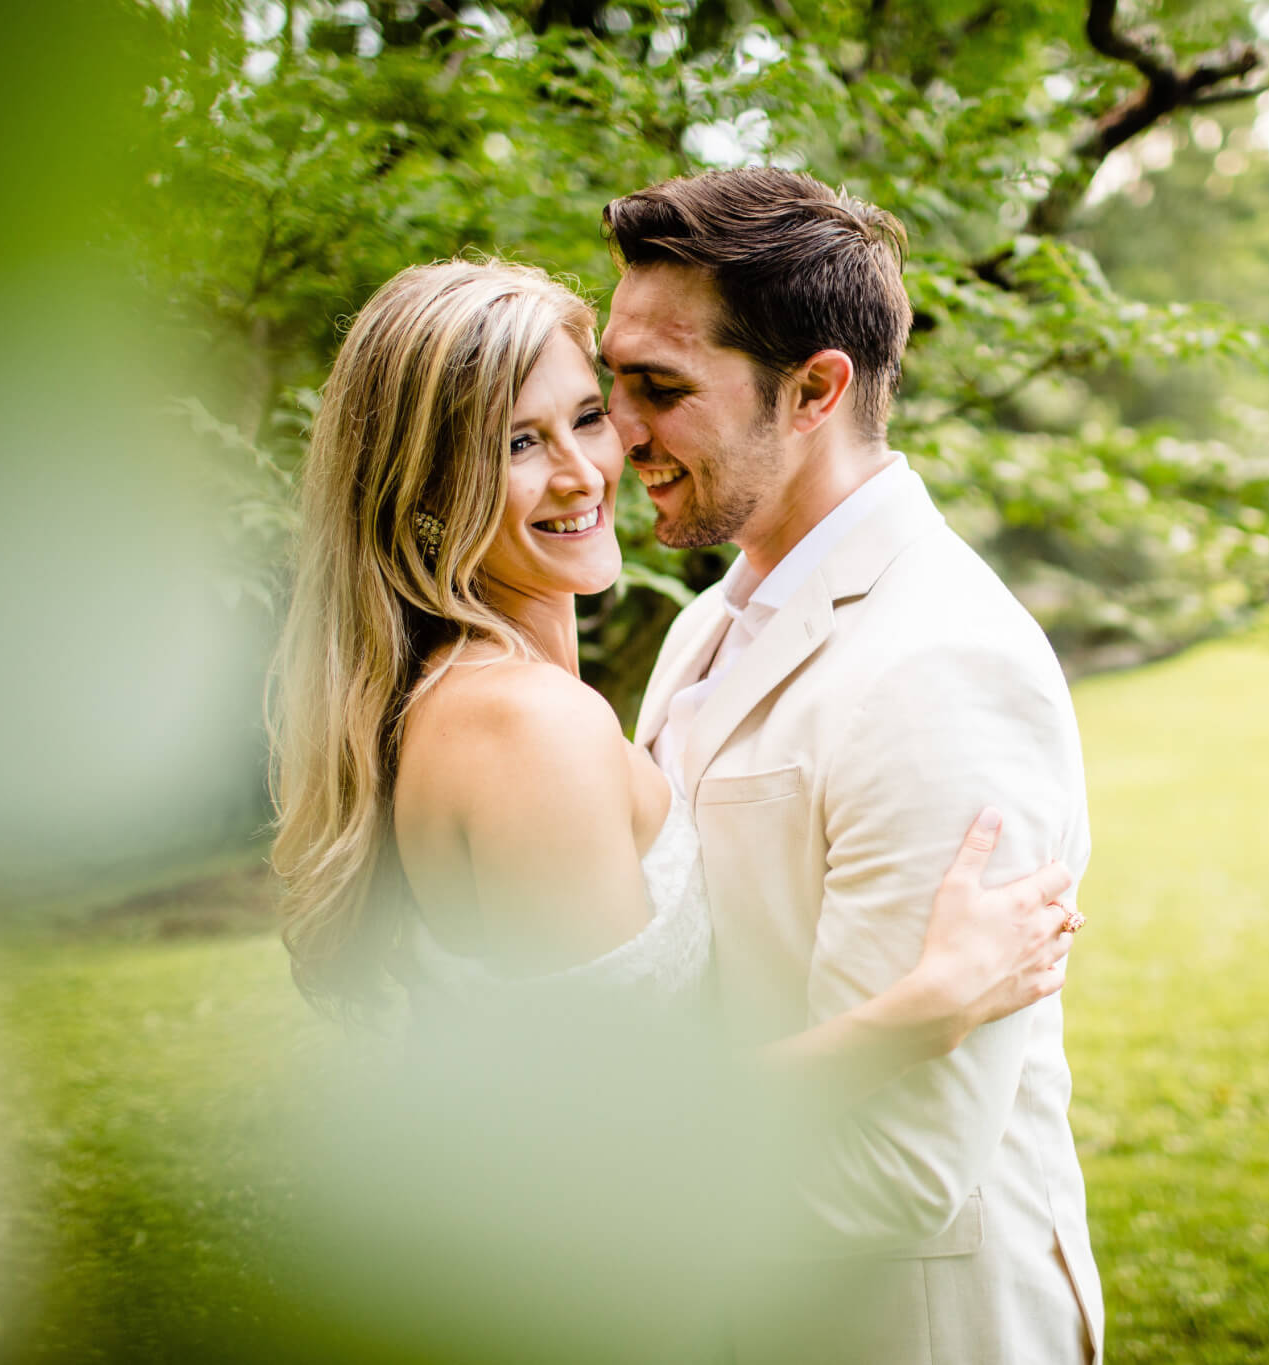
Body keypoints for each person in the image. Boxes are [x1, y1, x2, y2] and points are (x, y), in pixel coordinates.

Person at [267, 258, 1078, 1129]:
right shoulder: (524, 725)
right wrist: (925, 1011)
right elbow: (624, 1136)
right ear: (422, 489)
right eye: (516, 443)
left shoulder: (467, 693)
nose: (583, 472)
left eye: (587, 417)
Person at [602, 167, 1103, 1363]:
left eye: (659, 389)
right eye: (612, 380)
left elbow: (897, 1168)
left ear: (816, 387)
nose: (617, 435)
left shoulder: (940, 663)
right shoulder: (701, 626)